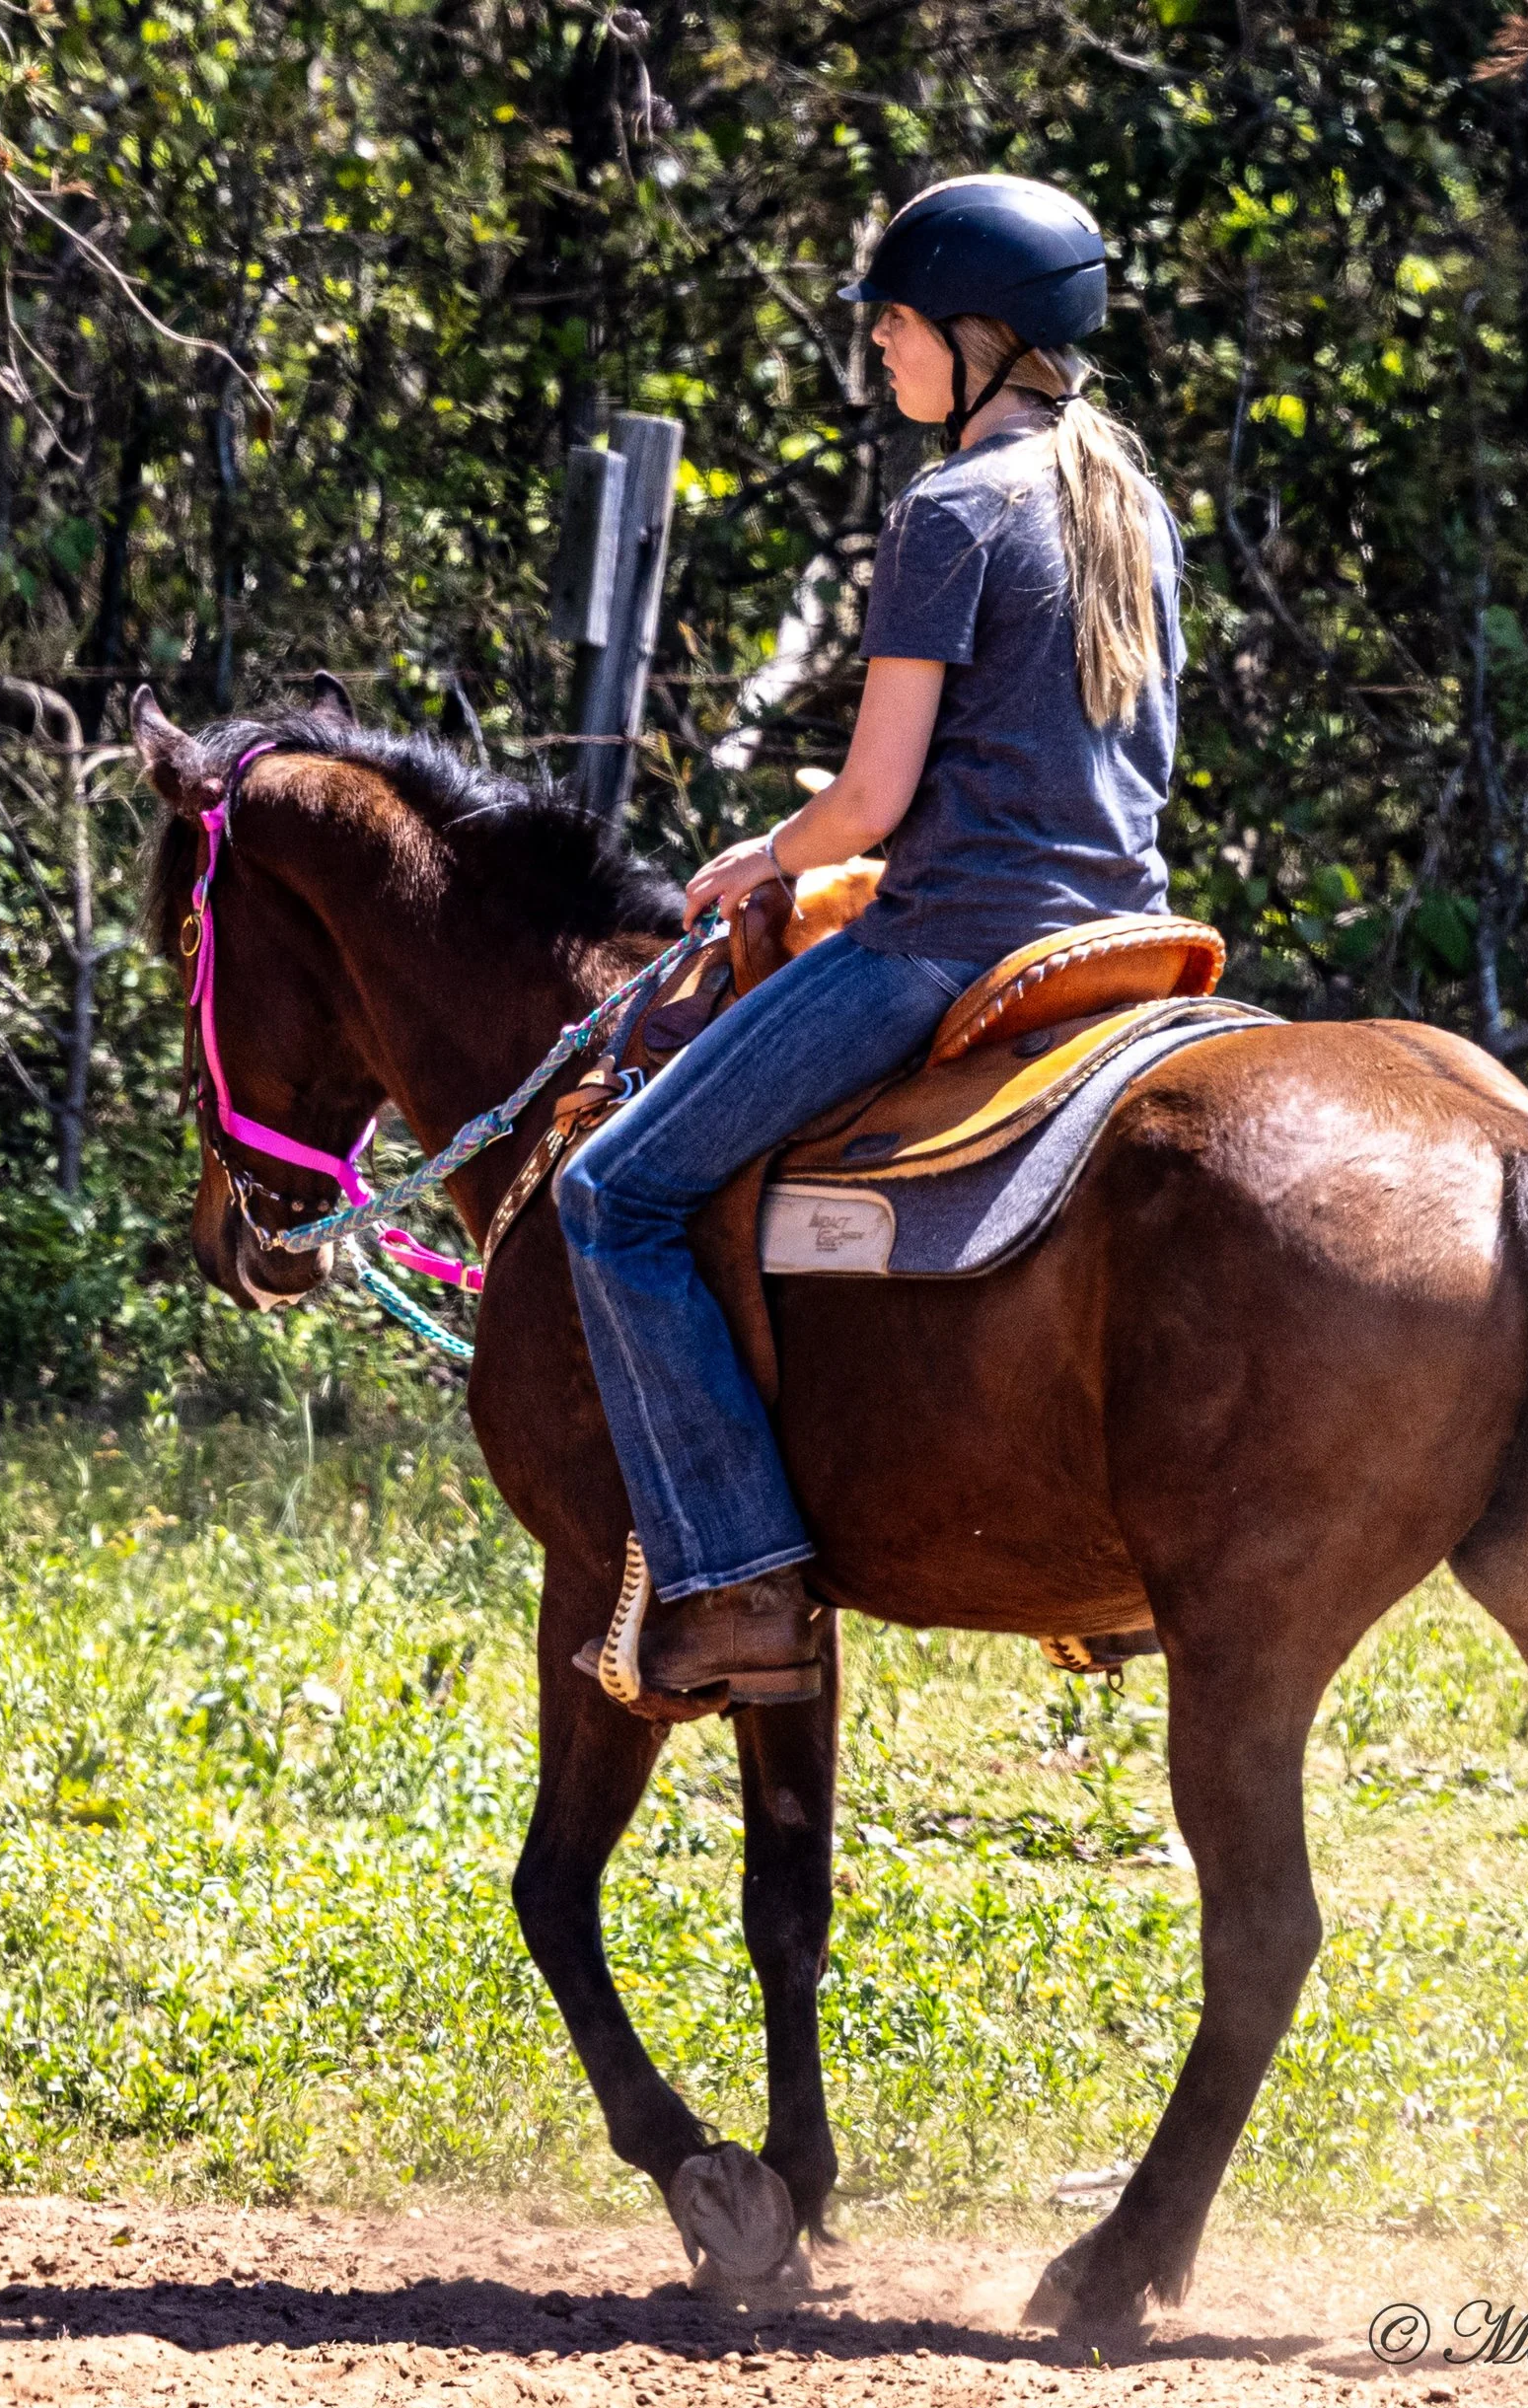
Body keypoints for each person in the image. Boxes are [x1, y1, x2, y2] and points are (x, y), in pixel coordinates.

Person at [555, 173, 1191, 1706]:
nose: (884, 352)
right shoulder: (1132, 504)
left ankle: (731, 1576)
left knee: (612, 1192)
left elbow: (874, 797)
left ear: (979, 339)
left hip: (952, 945)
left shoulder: (953, 511)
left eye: (898, 325)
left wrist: (755, 858)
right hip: (1131, 939)